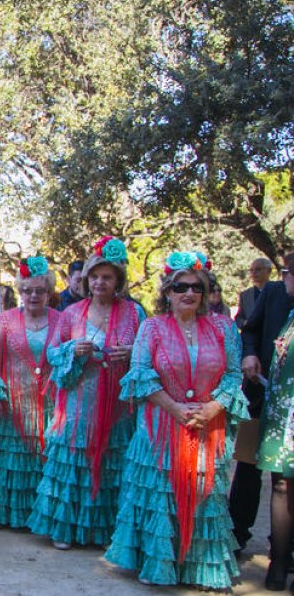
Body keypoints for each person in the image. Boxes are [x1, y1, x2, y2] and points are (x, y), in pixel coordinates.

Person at [105, 251, 244, 590]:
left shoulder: (224, 327)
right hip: (160, 429)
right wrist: (175, 409)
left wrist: (212, 408)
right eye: (180, 286)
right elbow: (140, 375)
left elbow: (233, 374)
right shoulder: (152, 327)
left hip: (207, 428)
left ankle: (197, 568)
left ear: (207, 291)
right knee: (161, 496)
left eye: (197, 287)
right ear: (167, 291)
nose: (189, 293)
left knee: (204, 495)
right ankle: (159, 565)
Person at [30, 237, 145, 550]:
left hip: (118, 405)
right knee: (73, 461)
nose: (99, 282)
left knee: (112, 462)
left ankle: (102, 531)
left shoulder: (134, 314)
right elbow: (52, 354)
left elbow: (150, 354)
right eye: (94, 276)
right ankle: (65, 529)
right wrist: (72, 349)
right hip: (78, 402)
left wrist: (132, 352)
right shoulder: (71, 313)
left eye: (106, 277)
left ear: (118, 280)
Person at [0, 256, 60, 530]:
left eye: (40, 290)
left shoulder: (63, 321)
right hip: (13, 403)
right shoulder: (3, 321)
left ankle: (43, 518)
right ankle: (9, 515)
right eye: (27, 290)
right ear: (20, 292)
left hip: (52, 405)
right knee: (13, 460)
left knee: (46, 459)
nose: (33, 295)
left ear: (49, 292)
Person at [231, 256, 294, 553]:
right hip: (260, 393)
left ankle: (284, 548)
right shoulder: (274, 292)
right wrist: (250, 354)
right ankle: (236, 534)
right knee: (247, 467)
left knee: (286, 480)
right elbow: (251, 330)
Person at [255, 251, 294, 589]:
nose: (287, 280)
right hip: (284, 416)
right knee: (281, 484)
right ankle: (279, 564)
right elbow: (254, 333)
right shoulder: (285, 308)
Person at [236, 257, 274, 329]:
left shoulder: (279, 291)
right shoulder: (245, 295)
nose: (254, 272)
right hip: (252, 336)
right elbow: (239, 318)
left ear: (269, 271)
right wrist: (246, 323)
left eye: (258, 269)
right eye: (251, 270)